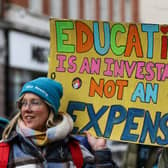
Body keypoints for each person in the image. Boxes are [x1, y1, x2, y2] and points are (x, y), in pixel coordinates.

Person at [1, 77, 117, 168]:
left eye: (35, 102)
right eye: (23, 103)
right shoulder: (5, 150)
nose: (27, 109)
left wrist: (101, 152)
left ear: (50, 109)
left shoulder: (74, 150)